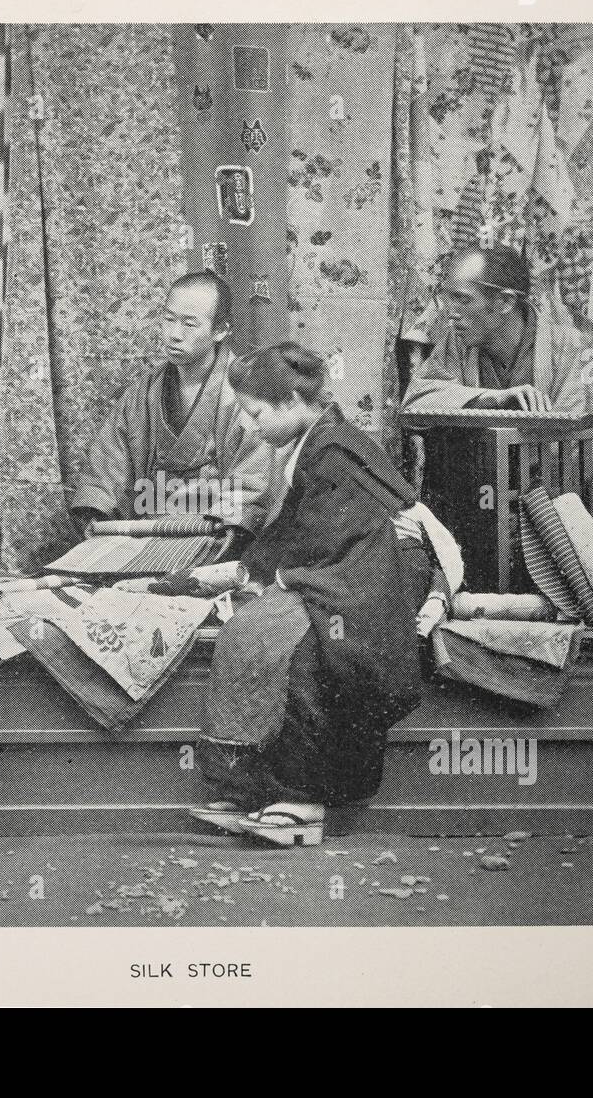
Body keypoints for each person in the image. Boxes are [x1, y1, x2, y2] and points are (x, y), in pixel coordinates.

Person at [189, 344, 453, 847]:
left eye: (256, 413)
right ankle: (254, 788)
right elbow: (300, 529)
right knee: (261, 623)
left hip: (382, 568)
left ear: (291, 400)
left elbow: (328, 535)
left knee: (310, 645)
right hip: (351, 561)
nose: (249, 426)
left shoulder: (333, 450)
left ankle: (302, 799)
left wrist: (275, 577)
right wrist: (246, 572)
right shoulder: (313, 442)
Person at [69, 272, 279, 555]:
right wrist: (97, 511)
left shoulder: (243, 396)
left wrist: (222, 534)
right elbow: (109, 464)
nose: (174, 334)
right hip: (142, 536)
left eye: (190, 324)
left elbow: (253, 487)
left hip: (211, 538)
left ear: (220, 331)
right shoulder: (144, 392)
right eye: (169, 319)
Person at [402, 244, 593, 415]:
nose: (451, 313)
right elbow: (414, 402)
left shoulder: (571, 346)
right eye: (449, 298)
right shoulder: (458, 340)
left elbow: (576, 447)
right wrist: (488, 398)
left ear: (505, 302)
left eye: (463, 299)